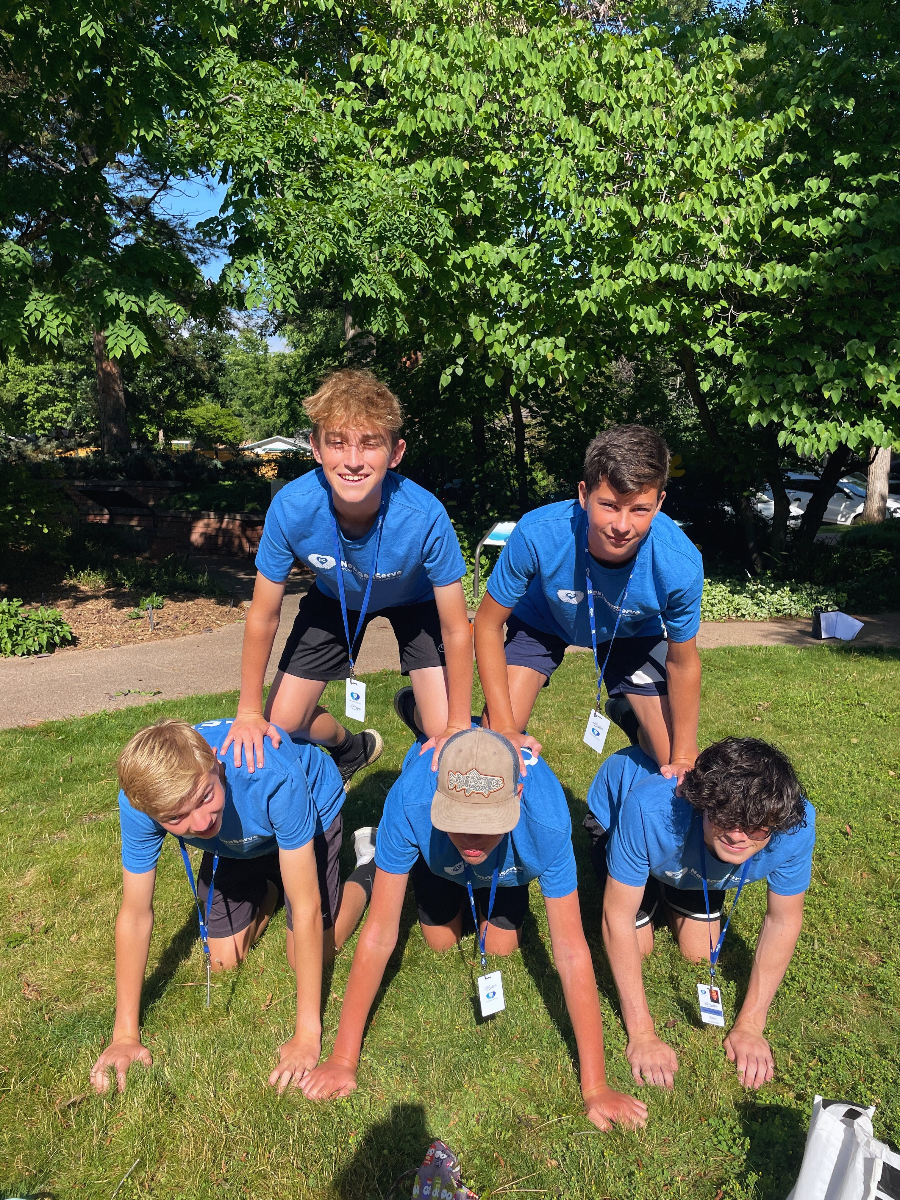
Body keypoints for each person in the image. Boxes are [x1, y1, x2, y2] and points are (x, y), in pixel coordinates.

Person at [299, 727, 649, 1132]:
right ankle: (378, 855)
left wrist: (596, 1087)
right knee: (440, 940)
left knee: (501, 945)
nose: (473, 836)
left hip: (509, 866)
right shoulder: (410, 800)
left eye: (487, 822)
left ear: (517, 798)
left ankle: (491, 885)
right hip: (439, 860)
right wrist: (343, 1059)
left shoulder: (548, 821)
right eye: (460, 820)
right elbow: (379, 932)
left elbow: (570, 950)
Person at [89, 718, 375, 1095]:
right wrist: (124, 1033)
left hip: (309, 805)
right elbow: (135, 914)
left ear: (214, 762)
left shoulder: (271, 773)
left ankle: (370, 864)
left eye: (204, 796)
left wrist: (307, 1035)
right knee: (223, 957)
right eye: (176, 818)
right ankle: (270, 884)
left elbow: (306, 905)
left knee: (311, 952)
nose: (200, 821)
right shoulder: (141, 801)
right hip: (239, 838)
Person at [223, 369, 473, 784]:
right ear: (316, 448)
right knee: (280, 723)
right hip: (335, 597)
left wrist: (458, 723)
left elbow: (456, 626)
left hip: (416, 600)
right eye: (337, 442)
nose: (353, 461)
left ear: (395, 453)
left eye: (370, 444)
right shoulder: (291, 507)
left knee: (442, 729)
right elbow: (264, 614)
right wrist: (248, 710)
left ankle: (415, 707)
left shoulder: (425, 515)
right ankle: (349, 747)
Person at [474, 425, 703, 780]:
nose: (622, 525)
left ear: (660, 502)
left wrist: (686, 755)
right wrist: (504, 725)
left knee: (673, 761)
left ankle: (630, 716)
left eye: (640, 509)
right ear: (584, 494)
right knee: (495, 746)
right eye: (609, 505)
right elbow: (487, 624)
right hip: (542, 622)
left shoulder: (680, 563)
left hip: (631, 632)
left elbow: (683, 663)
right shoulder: (538, 533)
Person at [596, 736, 815, 1091]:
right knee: (637, 944)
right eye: (725, 818)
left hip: (693, 862)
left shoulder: (793, 826)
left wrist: (750, 1026)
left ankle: (670, 890)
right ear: (701, 804)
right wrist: (642, 1034)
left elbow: (783, 919)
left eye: (757, 827)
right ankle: (650, 884)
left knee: (700, 949)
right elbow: (615, 917)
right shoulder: (645, 808)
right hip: (620, 819)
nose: (738, 835)